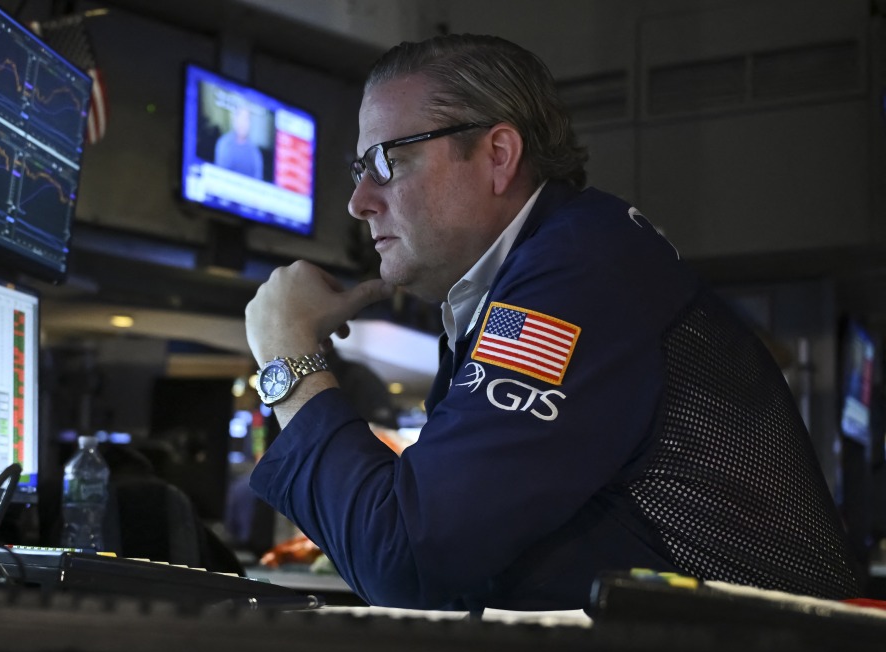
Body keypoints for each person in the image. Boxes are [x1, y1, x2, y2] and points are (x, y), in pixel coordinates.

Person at [243, 33, 863, 612]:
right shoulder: (544, 271)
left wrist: (288, 353)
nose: (359, 202)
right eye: (359, 171)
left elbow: (408, 558)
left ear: (498, 155)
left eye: (386, 162)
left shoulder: (578, 272)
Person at [214, 100, 264, 180]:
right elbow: (219, 176)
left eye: (246, 119)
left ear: (250, 123)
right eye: (240, 117)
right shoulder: (224, 144)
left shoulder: (255, 153)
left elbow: (258, 181)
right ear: (235, 119)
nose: (243, 123)